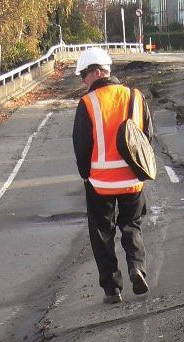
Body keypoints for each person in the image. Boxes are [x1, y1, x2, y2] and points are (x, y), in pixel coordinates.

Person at [72, 47, 154, 304]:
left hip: (101, 183)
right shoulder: (136, 97)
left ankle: (112, 288)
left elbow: (81, 145)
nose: (83, 81)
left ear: (97, 72)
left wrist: (86, 175)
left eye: (84, 75)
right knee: (132, 225)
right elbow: (146, 138)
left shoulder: (88, 103)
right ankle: (137, 268)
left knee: (102, 234)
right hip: (132, 180)